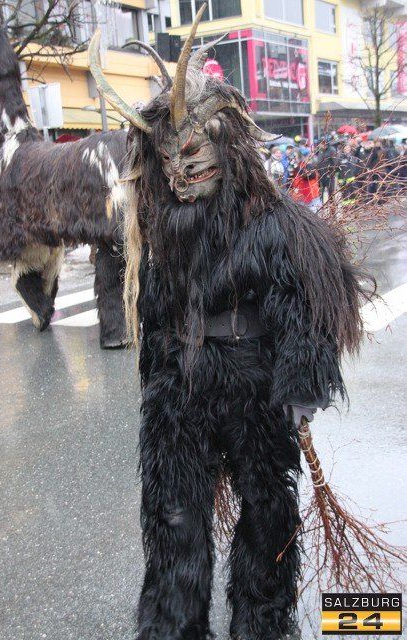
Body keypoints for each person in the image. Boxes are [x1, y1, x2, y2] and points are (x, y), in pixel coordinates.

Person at [89, 9, 367, 639]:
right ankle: (173, 624)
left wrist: (300, 383)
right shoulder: (161, 233)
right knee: (173, 513)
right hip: (180, 394)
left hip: (252, 386)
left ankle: (260, 621)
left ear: (226, 146)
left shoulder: (274, 223)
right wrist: (156, 384)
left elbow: (307, 308)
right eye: (166, 161)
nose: (179, 173)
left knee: (267, 511)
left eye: (192, 153)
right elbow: (154, 314)